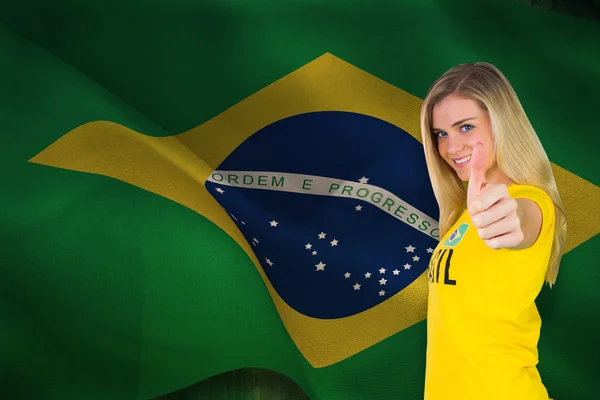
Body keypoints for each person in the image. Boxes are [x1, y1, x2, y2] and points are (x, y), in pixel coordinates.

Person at [420, 62, 567, 400]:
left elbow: (521, 220)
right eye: (441, 133)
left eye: (466, 127)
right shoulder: (464, 215)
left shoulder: (531, 202)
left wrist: (509, 217)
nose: (451, 147)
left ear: (503, 124)